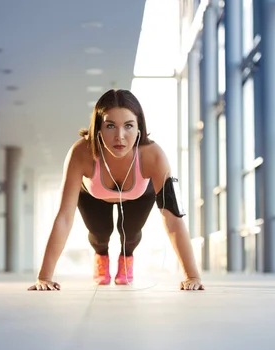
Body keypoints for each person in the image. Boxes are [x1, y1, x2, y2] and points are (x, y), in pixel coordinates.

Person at [28, 89, 204, 291]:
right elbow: (64, 216)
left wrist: (192, 276)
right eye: (110, 126)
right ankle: (100, 256)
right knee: (99, 233)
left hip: (139, 195)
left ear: (139, 128)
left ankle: (126, 258)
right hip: (93, 196)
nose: (120, 136)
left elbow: (173, 217)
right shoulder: (81, 153)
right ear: (98, 129)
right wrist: (44, 277)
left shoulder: (154, 156)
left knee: (130, 234)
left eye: (128, 126)